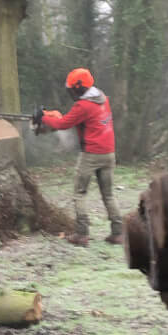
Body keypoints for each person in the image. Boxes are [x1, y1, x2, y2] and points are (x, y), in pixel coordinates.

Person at [38, 68, 123, 246]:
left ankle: (81, 234)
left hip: (91, 154)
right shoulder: (102, 97)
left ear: (78, 88)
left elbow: (63, 124)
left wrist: (44, 118)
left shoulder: (83, 106)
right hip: (109, 153)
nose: (70, 91)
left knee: (79, 193)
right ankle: (118, 232)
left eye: (71, 88)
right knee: (108, 195)